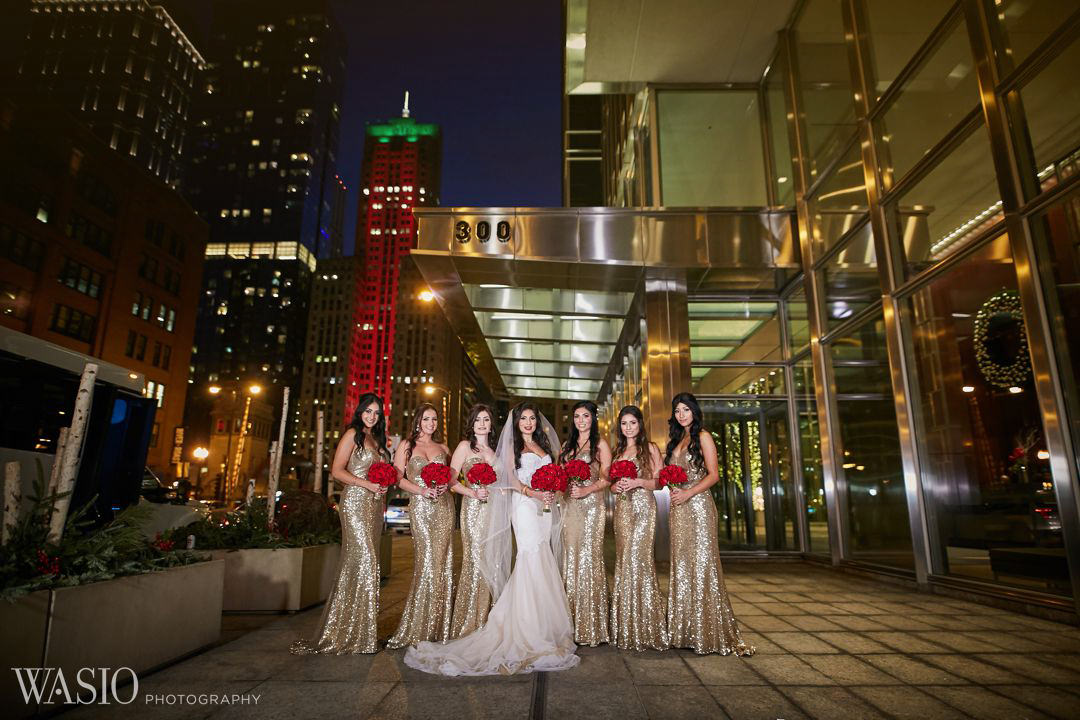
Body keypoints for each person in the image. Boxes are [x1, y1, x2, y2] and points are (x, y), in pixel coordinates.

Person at [403, 402, 580, 675]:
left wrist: (550, 490)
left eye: (533, 418)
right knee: (524, 556)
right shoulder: (500, 448)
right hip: (516, 506)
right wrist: (479, 492)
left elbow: (507, 481)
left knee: (536, 557)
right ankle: (516, 626)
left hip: (540, 507)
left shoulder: (532, 448)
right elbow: (506, 479)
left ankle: (541, 623)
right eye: (524, 419)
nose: (529, 423)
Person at [291, 393, 390, 654]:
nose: (372, 416)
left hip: (374, 504)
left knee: (367, 564)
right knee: (363, 560)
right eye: (368, 411)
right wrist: (366, 484)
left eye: (376, 413)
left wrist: (380, 488)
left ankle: (362, 632)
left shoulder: (376, 439)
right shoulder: (352, 435)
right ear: (359, 412)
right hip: (356, 502)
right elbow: (336, 470)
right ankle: (347, 632)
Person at [665, 392, 754, 656]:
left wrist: (688, 493)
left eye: (685, 410)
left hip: (699, 506)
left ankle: (708, 632)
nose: (681, 415)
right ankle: (685, 631)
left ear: (694, 411)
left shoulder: (703, 436)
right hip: (678, 507)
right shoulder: (677, 440)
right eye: (677, 411)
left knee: (703, 563)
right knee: (682, 564)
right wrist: (673, 487)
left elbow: (714, 475)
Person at [386, 403, 454, 649]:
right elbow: (396, 477)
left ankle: (439, 626)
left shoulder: (443, 447)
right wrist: (421, 490)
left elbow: (451, 477)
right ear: (418, 420)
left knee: (442, 562)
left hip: (444, 508)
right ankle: (420, 625)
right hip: (422, 508)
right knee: (426, 563)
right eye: (426, 419)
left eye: (434, 419)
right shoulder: (407, 445)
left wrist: (446, 486)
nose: (431, 423)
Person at [609, 404, 670, 651]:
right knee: (625, 560)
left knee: (640, 559)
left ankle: (647, 625)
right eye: (624, 423)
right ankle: (626, 625)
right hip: (623, 509)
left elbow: (660, 481)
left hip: (644, 507)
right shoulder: (618, 451)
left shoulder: (650, 448)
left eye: (632, 423)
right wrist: (618, 487)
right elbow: (611, 485)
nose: (628, 427)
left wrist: (637, 482)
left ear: (640, 424)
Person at [559, 400, 610, 646]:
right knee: (571, 558)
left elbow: (607, 477)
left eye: (586, 416)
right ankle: (570, 623)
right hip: (570, 507)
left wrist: (587, 489)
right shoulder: (566, 447)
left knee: (589, 558)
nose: (581, 420)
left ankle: (592, 625)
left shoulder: (600, 444)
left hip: (591, 508)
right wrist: (562, 487)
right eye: (577, 416)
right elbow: (559, 475)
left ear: (593, 419)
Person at [447, 404, 497, 638]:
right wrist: (472, 492)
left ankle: (487, 619)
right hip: (473, 509)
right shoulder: (465, 446)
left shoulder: (496, 450)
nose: (482, 424)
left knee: (491, 561)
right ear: (472, 423)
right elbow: (451, 481)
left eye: (486, 419)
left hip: (494, 511)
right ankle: (468, 621)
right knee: (475, 560)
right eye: (478, 420)